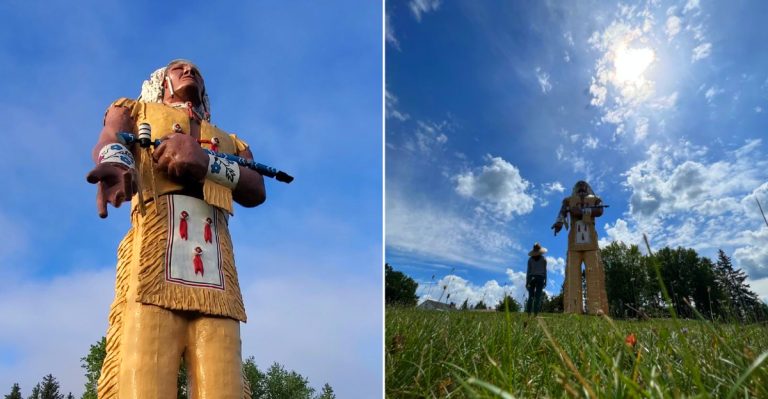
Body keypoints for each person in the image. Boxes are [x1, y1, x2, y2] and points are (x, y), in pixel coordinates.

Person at [86, 59, 265, 399]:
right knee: (143, 379)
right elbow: (111, 137)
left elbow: (256, 188)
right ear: (160, 81)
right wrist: (114, 162)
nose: (189, 71)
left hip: (218, 275)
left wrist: (205, 162)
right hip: (154, 261)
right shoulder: (134, 110)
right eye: (178, 67)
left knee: (223, 384)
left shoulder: (231, 143)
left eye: (196, 70)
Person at [551, 180, 609, 315]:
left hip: (591, 244)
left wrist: (582, 211)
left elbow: (600, 211)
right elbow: (562, 213)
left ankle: (596, 309)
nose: (582, 190)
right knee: (572, 276)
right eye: (579, 188)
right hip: (574, 244)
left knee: (594, 274)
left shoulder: (595, 199)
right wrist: (559, 222)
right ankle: (573, 309)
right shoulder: (568, 201)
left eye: (584, 188)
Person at [525, 243, 548, 316]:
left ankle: (528, 314)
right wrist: (545, 280)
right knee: (537, 297)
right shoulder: (543, 259)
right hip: (540, 278)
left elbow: (528, 272)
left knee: (530, 297)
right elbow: (545, 271)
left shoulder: (530, 260)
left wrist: (527, 282)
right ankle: (535, 314)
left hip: (531, 278)